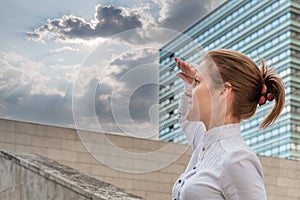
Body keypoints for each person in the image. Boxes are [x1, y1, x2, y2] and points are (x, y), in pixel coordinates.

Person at [171, 49, 285, 200]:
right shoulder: (206, 144)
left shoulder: (237, 159)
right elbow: (184, 118)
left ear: (223, 92)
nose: (188, 92)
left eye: (197, 83)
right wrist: (193, 81)